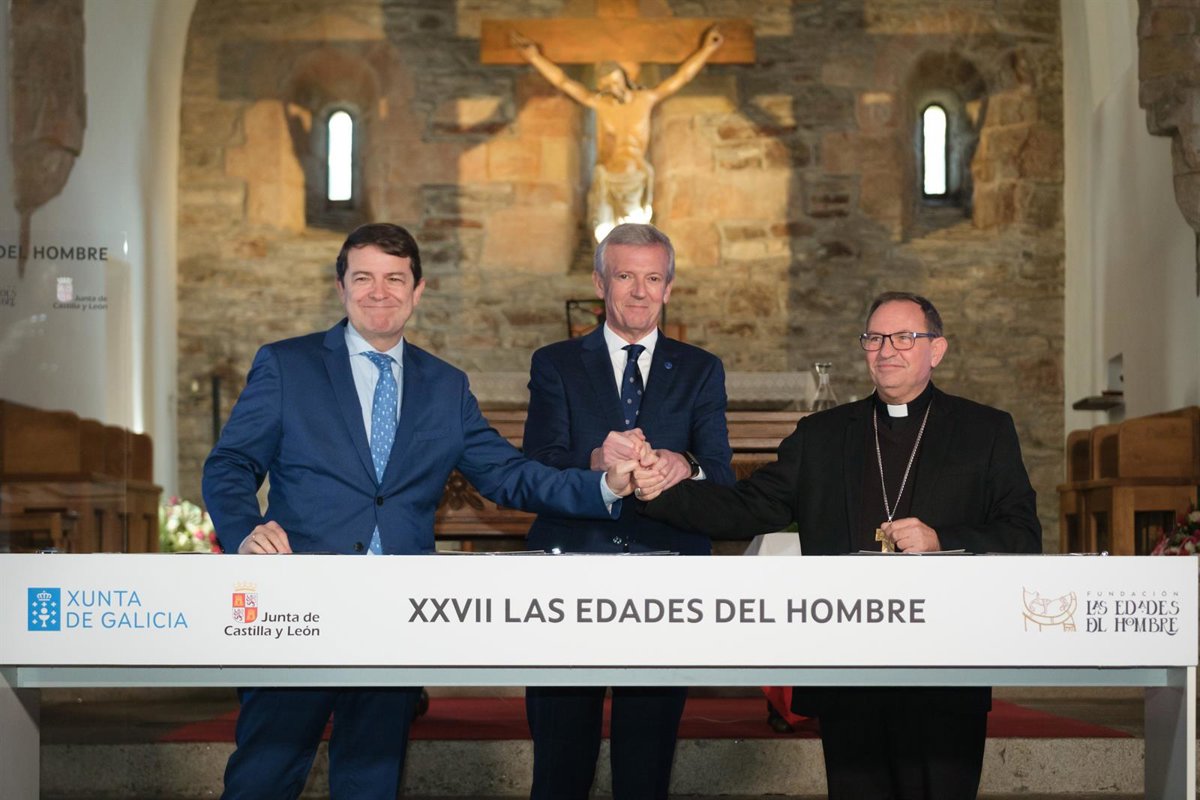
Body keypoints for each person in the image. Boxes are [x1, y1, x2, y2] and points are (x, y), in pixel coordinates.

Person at [202, 222, 642, 800]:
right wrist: (245, 531)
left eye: (394, 279)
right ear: (341, 287)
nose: (378, 292)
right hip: (300, 605)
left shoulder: (445, 386)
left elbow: (508, 476)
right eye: (363, 278)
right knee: (264, 774)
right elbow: (230, 463)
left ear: (417, 291)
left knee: (370, 781)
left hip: (395, 614)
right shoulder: (287, 366)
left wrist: (603, 484)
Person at [635, 291, 1042, 800]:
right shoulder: (822, 435)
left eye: (904, 337)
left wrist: (942, 539)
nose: (886, 350)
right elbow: (747, 507)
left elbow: (1022, 533)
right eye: (875, 338)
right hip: (851, 666)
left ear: (936, 350)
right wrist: (659, 492)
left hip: (945, 666)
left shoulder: (985, 430)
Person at [522, 222, 734, 800]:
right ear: (600, 283)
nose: (640, 291)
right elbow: (537, 466)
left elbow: (721, 469)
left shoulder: (701, 368)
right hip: (570, 576)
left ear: (669, 287)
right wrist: (595, 462)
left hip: (667, 580)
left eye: (653, 278)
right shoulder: (556, 363)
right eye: (624, 276)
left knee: (646, 767)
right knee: (560, 766)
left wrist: (683, 464)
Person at [512, 26, 724, 240]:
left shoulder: (645, 99)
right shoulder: (599, 103)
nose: (613, 88)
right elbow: (563, 82)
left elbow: (682, 77)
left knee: (633, 241)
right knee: (604, 240)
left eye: (615, 81)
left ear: (624, 77)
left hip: (635, 179)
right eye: (606, 85)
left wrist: (707, 49)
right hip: (608, 179)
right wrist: (534, 57)